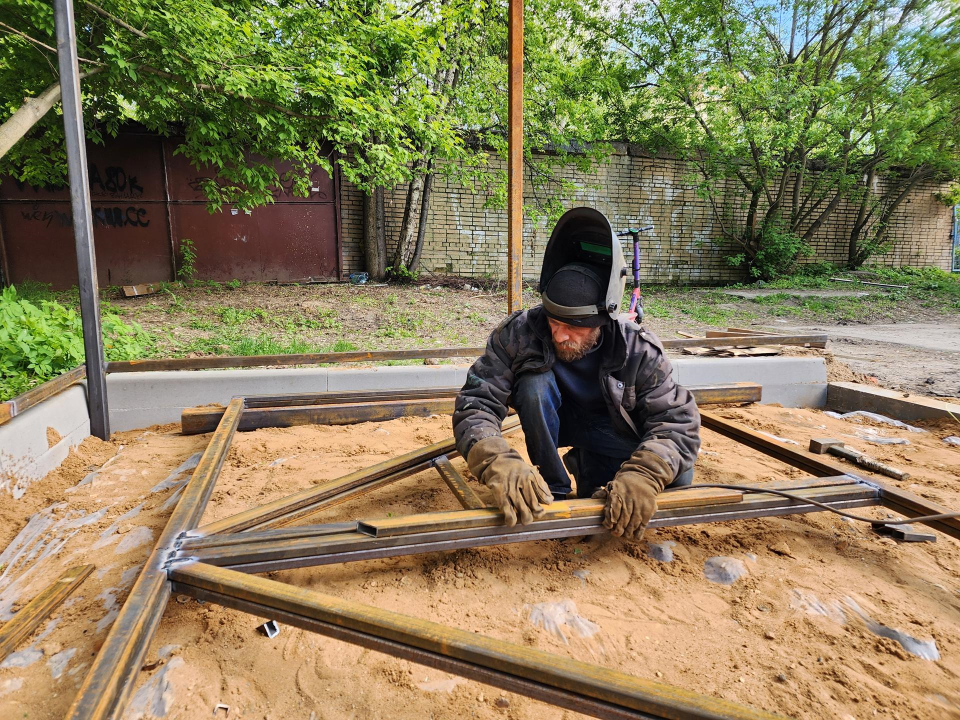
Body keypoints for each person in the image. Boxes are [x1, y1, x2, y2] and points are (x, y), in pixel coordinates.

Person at [453, 207, 700, 542]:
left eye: (572, 327)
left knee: (677, 478)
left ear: (601, 322)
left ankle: (588, 463)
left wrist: (643, 474)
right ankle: (552, 485)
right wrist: (496, 460)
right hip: (557, 423)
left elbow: (677, 421)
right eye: (554, 322)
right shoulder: (519, 332)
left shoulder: (639, 350)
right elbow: (476, 404)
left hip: (611, 430)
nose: (559, 335)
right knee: (534, 384)